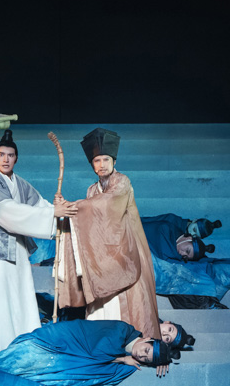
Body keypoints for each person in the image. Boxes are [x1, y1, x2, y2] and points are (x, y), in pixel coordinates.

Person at [0, 129, 76, 357]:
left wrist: (59, 210)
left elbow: (40, 205)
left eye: (10, 155)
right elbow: (6, 212)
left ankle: (19, 347)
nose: (6, 159)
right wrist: (51, 213)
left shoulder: (20, 184)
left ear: (16, 159)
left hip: (18, 252)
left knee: (18, 298)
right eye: (1, 155)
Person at [54, 128, 161, 341]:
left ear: (114, 161)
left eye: (106, 159)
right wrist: (64, 208)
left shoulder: (122, 182)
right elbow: (90, 219)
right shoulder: (92, 190)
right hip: (102, 257)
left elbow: (105, 205)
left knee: (131, 302)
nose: (102, 164)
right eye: (97, 160)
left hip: (127, 251)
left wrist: (70, 207)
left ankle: (135, 344)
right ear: (92, 164)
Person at [0, 319, 175, 386]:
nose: (141, 355)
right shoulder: (122, 331)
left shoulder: (131, 346)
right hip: (58, 341)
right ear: (147, 338)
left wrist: (161, 361)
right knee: (18, 361)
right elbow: (98, 355)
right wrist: (123, 359)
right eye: (146, 350)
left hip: (67, 353)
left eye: (146, 359)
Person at [142, 213, 217, 264]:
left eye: (185, 257)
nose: (182, 254)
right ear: (189, 238)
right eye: (194, 230)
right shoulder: (169, 224)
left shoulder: (178, 259)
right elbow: (147, 221)